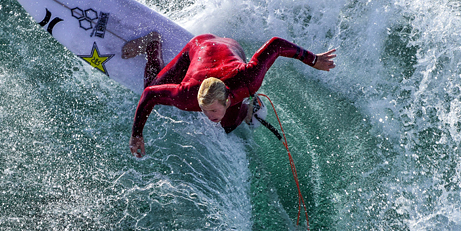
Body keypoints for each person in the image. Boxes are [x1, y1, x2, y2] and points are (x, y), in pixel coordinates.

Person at [124, 32, 336, 158]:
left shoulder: (247, 80)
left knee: (228, 125)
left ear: (227, 99)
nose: (209, 117)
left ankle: (249, 107)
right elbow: (149, 95)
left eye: (213, 110)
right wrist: (137, 134)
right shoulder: (186, 94)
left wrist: (313, 59)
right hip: (200, 46)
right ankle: (153, 43)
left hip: (231, 47)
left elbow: (276, 45)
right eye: (205, 111)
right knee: (151, 86)